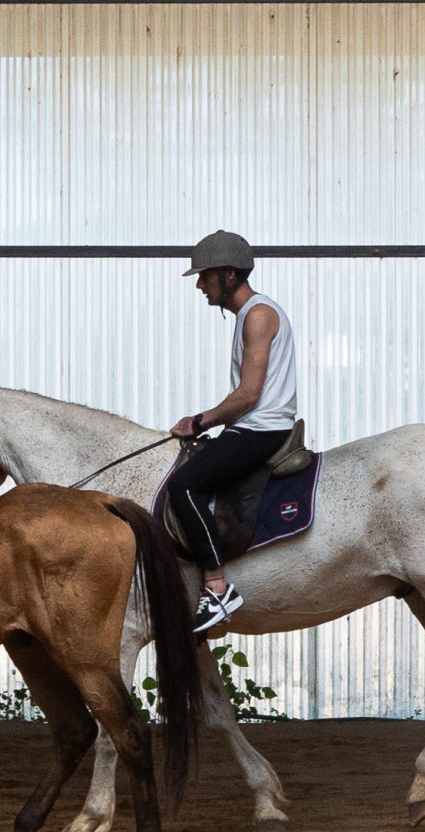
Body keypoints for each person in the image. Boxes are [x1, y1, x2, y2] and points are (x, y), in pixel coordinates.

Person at [162, 230, 299, 634]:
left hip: (261, 429)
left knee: (183, 486)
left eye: (204, 276)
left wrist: (199, 421)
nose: (201, 286)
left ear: (229, 275)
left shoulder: (258, 315)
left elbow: (248, 395)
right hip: (254, 426)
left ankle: (217, 587)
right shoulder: (249, 315)